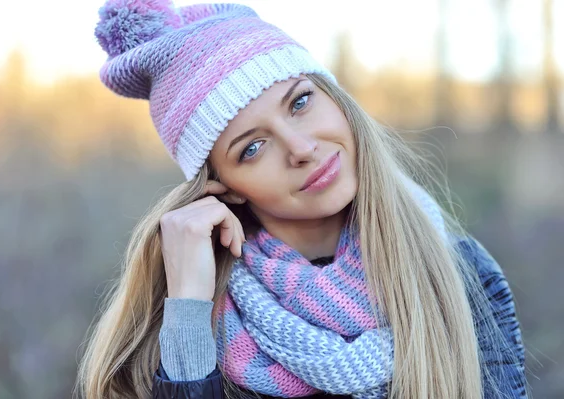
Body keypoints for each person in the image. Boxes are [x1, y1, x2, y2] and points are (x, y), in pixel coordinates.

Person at [75, 1, 527, 398]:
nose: (301, 147)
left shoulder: (458, 271)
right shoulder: (188, 319)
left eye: (300, 102)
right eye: (252, 148)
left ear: (334, 97)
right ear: (223, 185)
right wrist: (190, 308)